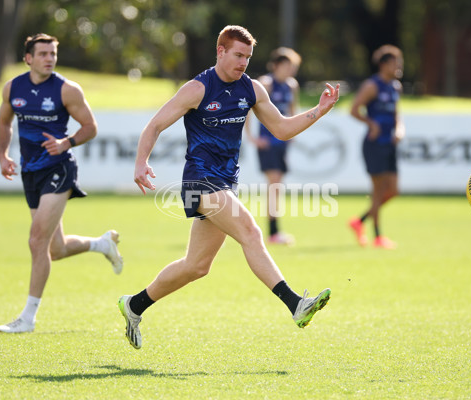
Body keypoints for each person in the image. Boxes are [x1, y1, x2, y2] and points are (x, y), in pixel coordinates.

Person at [118, 25, 339, 349]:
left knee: (196, 266)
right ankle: (295, 304)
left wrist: (318, 111)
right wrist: (141, 162)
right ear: (220, 51)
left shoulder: (251, 89)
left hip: (224, 183)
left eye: (248, 57)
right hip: (198, 179)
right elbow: (155, 125)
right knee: (250, 231)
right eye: (237, 55)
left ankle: (133, 306)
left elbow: (280, 128)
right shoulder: (197, 88)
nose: (243, 63)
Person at [0, 33, 123, 333]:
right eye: (42, 54)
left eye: (52, 53)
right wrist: (2, 155)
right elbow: (3, 122)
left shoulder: (67, 90)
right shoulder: (13, 88)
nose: (49, 58)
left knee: (36, 241)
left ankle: (27, 318)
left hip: (59, 168)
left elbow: (90, 126)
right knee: (55, 249)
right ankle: (101, 244)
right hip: (30, 172)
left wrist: (67, 142)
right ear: (28, 58)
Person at [348, 44, 405, 249]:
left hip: (390, 145)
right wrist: (371, 124)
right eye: (394, 63)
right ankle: (378, 236)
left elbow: (396, 114)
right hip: (374, 145)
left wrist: (399, 130)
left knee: (393, 191)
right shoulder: (372, 85)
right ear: (383, 65)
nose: (399, 66)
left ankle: (360, 221)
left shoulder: (395, 87)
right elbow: (353, 109)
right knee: (378, 191)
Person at [244, 47, 302, 245]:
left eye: (293, 67)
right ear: (276, 65)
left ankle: (273, 231)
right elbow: (248, 110)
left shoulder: (292, 86)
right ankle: (273, 232)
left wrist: (293, 132)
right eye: (287, 66)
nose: (291, 71)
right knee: (275, 184)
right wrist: (251, 137)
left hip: (282, 143)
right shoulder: (265, 84)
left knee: (276, 186)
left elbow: (293, 111)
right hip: (268, 143)